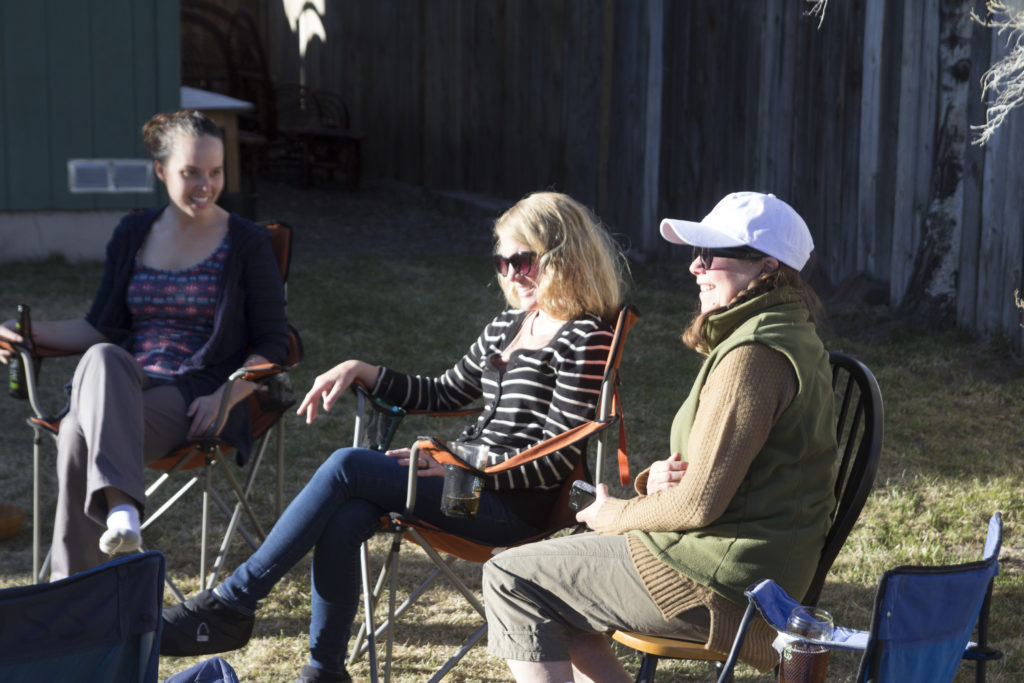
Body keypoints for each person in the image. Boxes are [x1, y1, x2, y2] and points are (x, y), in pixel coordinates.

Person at [159, 191, 627, 683]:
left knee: (347, 465)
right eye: (501, 262)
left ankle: (234, 601)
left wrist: (457, 463)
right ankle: (325, 671)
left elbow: (556, 456)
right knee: (349, 514)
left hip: (513, 506)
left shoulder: (586, 336)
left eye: (522, 260)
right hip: (466, 489)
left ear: (560, 256)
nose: (510, 274)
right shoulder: (510, 326)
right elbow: (446, 392)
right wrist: (365, 370)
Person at [480, 191, 839, 681]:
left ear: (766, 265)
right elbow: (734, 472)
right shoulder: (785, 332)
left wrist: (616, 514)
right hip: (739, 563)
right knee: (553, 586)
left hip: (721, 583)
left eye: (710, 254)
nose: (695, 266)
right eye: (696, 253)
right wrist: (655, 483)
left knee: (510, 577)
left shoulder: (754, 355)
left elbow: (697, 507)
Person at [0, 110, 290, 580]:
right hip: (122, 381)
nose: (206, 185)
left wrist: (228, 393)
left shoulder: (247, 243)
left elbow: (276, 343)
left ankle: (68, 593)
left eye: (215, 173)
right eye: (190, 172)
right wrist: (24, 335)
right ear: (160, 171)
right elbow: (100, 328)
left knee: (75, 434)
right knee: (101, 356)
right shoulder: (133, 234)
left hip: (195, 393)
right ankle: (120, 514)